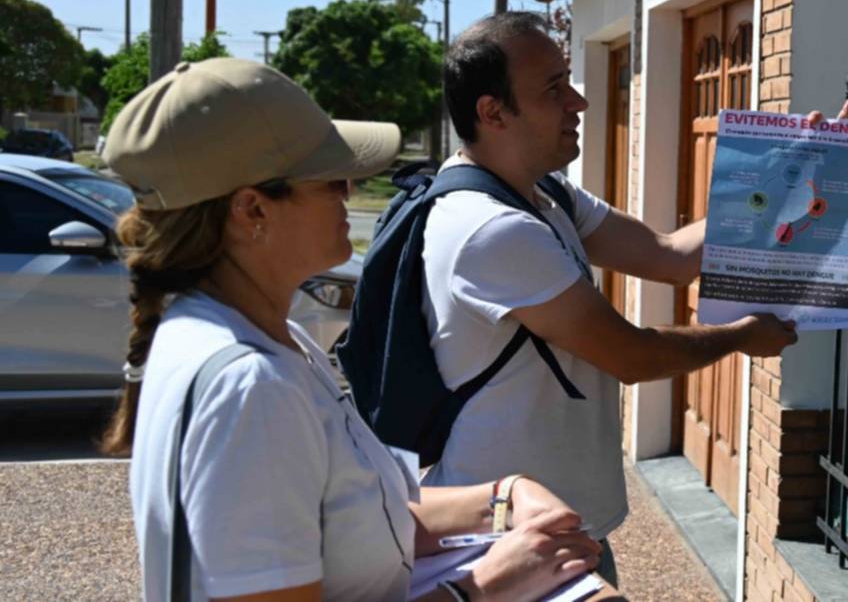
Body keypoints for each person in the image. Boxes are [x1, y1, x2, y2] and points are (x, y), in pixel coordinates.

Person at [102, 57, 608, 602]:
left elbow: (364, 509)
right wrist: (482, 588)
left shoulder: (263, 336)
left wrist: (504, 497)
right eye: (331, 179)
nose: (350, 192)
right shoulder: (253, 388)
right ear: (252, 210)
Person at [420, 12, 848, 581]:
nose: (578, 102)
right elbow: (631, 356)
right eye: (554, 89)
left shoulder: (544, 196)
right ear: (492, 111)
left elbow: (668, 254)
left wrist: (787, 176)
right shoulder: (492, 227)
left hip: (560, 524)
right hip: (509, 541)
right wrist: (742, 337)